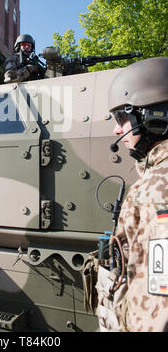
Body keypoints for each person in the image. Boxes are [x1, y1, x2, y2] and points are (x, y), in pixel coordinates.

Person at [96, 56, 168, 332]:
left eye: (122, 117)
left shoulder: (157, 191)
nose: (116, 129)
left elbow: (154, 315)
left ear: (152, 116)